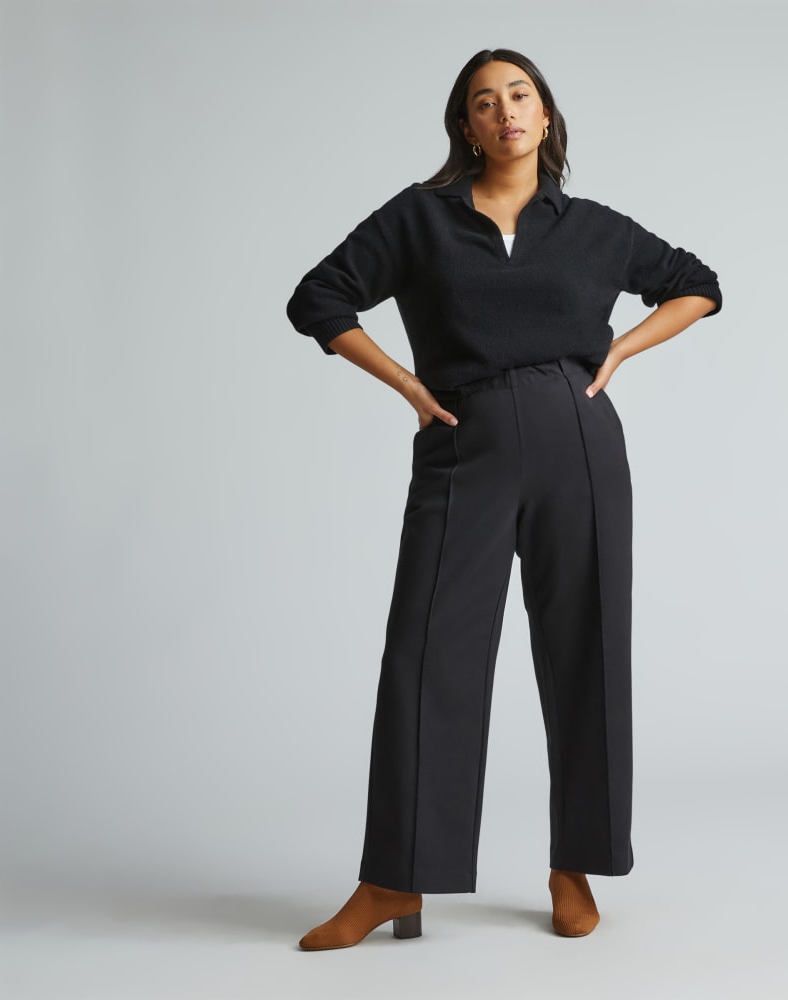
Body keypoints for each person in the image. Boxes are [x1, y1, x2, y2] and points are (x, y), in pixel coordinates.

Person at [285, 48, 722, 950]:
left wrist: (619, 350)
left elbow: (698, 285)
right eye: (485, 102)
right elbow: (317, 298)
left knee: (587, 646)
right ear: (466, 126)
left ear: (546, 114)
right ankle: (394, 878)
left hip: (577, 437)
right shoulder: (420, 217)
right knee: (429, 652)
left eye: (520, 95)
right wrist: (408, 385)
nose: (506, 112)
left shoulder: (593, 227)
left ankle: (576, 865)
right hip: (465, 437)